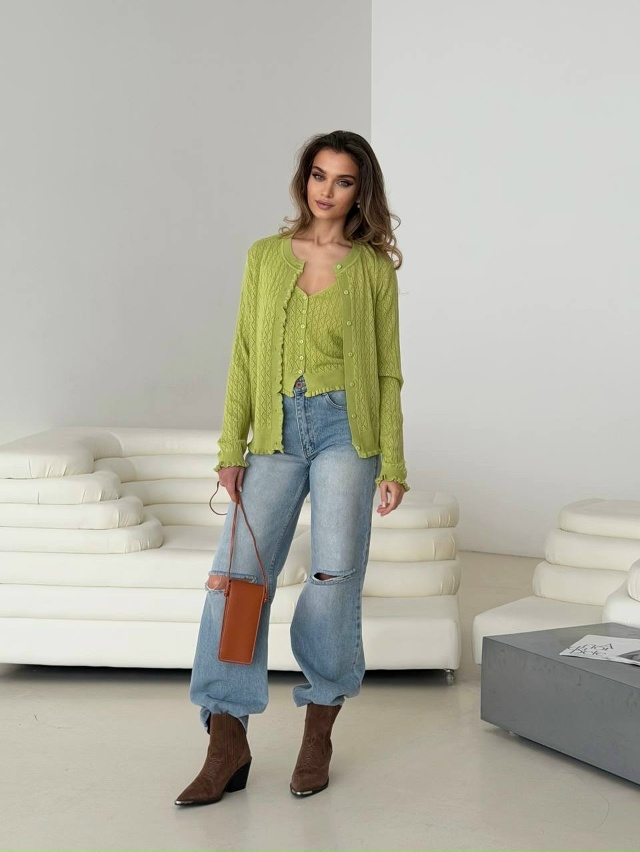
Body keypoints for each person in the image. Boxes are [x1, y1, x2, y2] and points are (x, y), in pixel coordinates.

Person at [175, 130, 409, 807]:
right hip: (276, 433)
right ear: (304, 179)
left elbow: (387, 372)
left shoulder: (372, 269)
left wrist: (393, 461)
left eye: (342, 180)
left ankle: (318, 733)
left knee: (334, 578)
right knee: (237, 581)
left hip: (347, 432)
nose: (326, 190)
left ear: (360, 192)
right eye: (318, 175)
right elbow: (245, 354)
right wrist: (231, 447)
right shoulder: (265, 257)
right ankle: (226, 742)